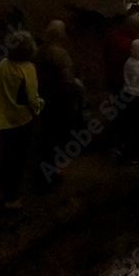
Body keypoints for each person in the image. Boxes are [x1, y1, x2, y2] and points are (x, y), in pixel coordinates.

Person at [0, 29, 44, 209]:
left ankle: (4, 191)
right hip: (21, 120)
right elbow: (32, 98)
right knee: (18, 158)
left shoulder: (3, 64)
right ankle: (12, 198)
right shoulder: (28, 68)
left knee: (7, 155)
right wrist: (40, 107)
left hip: (2, 117)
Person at [35, 20, 81, 176]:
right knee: (57, 137)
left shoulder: (39, 51)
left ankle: (44, 166)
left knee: (46, 136)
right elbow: (67, 79)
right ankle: (50, 171)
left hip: (43, 98)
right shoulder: (60, 54)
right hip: (60, 101)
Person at [118, 39, 139, 165]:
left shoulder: (128, 62)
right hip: (137, 97)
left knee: (127, 124)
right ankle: (134, 154)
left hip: (126, 94)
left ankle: (123, 149)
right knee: (136, 126)